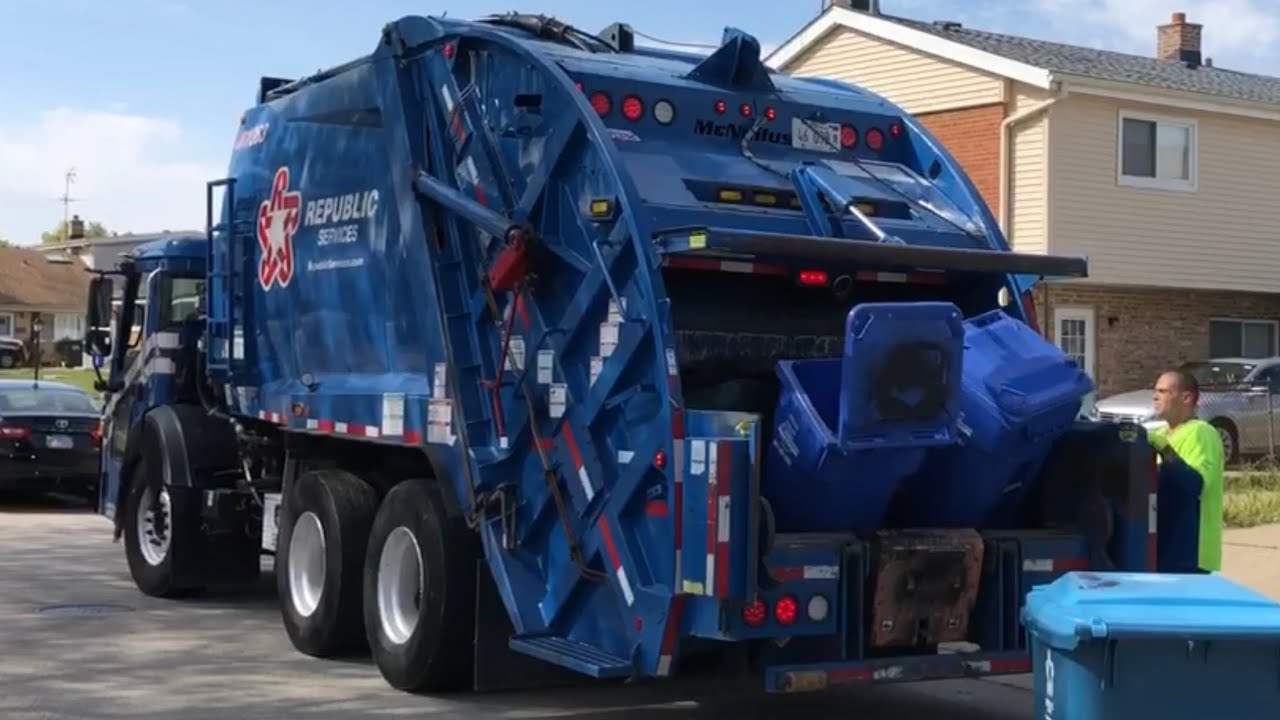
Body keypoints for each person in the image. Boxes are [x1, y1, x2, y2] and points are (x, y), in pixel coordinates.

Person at [1148, 368, 1225, 572]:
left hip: (1192, 555)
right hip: (1163, 549)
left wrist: (1165, 450)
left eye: (1163, 392)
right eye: (1155, 391)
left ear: (1186, 397)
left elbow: (1193, 485)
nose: (1155, 397)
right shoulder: (1159, 434)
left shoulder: (1201, 432)